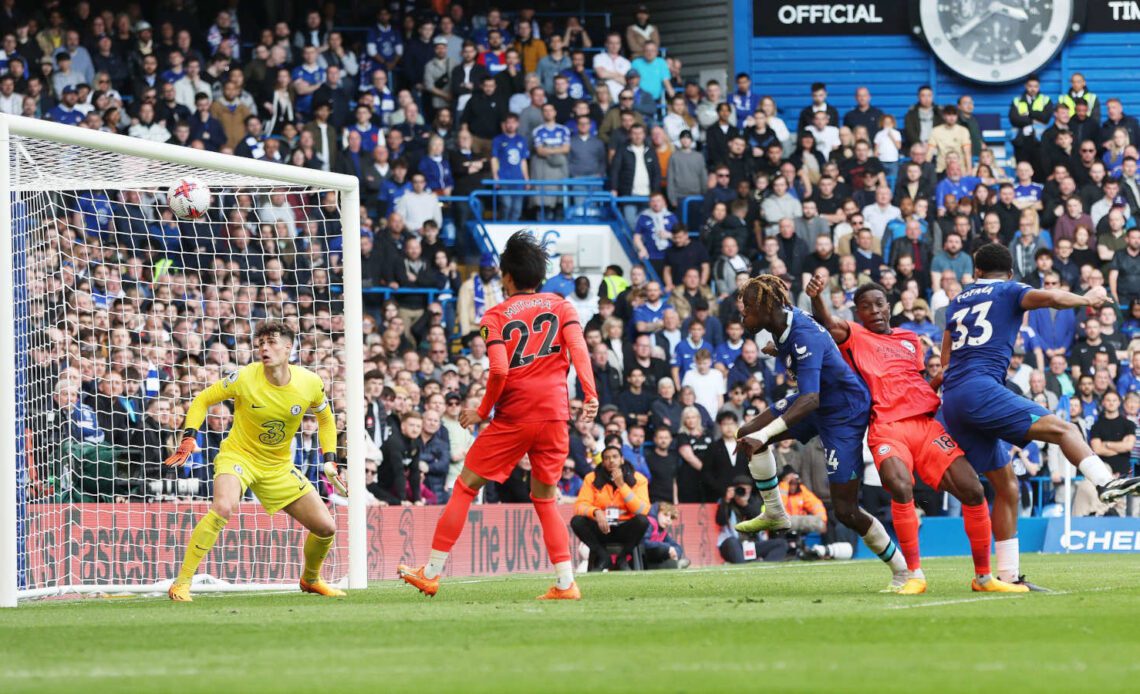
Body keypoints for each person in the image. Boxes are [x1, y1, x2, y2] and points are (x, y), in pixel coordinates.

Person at [398, 231, 598, 600]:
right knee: (545, 499)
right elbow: (579, 349)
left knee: (465, 486)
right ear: (540, 275)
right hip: (555, 417)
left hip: (514, 418)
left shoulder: (495, 315)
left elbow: (500, 371)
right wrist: (590, 393)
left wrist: (481, 412)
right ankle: (566, 583)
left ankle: (430, 572)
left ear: (506, 277)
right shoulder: (561, 305)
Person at [806, 273, 1027, 594]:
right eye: (866, 307)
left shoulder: (910, 340)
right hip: (887, 427)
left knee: (973, 491)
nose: (875, 311)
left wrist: (940, 379)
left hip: (925, 426)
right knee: (900, 485)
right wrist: (816, 298)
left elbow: (915, 385)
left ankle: (983, 578)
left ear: (889, 306)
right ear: (858, 314)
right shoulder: (854, 335)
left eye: (879, 304)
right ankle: (915, 575)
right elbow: (826, 321)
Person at [938, 244, 1140, 589]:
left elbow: (944, 362)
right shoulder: (1010, 290)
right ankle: (1106, 482)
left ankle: (1008, 577)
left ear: (975, 272)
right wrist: (1086, 297)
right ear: (1012, 273)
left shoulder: (956, 303)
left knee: (1007, 487)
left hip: (953, 399)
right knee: (1065, 428)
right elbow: (1052, 299)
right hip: (980, 390)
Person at [733, 275, 912, 591]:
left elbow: (810, 397)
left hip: (842, 412)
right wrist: (781, 351)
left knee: (845, 511)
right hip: (818, 400)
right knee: (747, 430)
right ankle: (775, 512)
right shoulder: (784, 326)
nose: (742, 314)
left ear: (764, 306)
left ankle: (902, 571)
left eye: (747, 307)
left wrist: (766, 435)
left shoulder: (802, 334)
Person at [163, 321, 344, 601]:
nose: (264, 348)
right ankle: (182, 582)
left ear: (288, 347)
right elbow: (201, 400)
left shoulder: (310, 382)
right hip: (239, 457)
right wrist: (189, 436)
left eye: (271, 342)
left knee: (326, 528)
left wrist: (329, 458)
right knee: (223, 506)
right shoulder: (244, 377)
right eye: (260, 344)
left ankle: (311, 579)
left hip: (278, 466)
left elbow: (325, 418)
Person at [571, 445, 651, 571]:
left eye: (615, 457)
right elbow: (580, 505)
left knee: (642, 521)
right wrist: (596, 512)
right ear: (603, 462)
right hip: (601, 528)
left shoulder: (639, 479)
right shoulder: (591, 478)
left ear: (622, 460)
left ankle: (622, 558)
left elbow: (641, 510)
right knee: (577, 521)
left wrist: (622, 485)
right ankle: (603, 557)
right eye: (607, 458)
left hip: (625, 528)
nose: (611, 460)